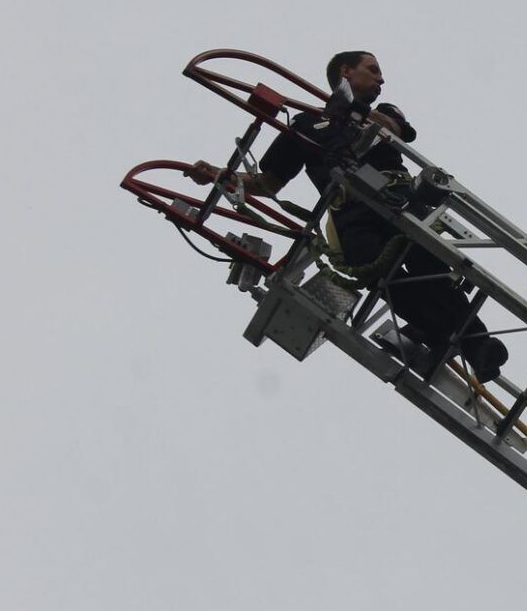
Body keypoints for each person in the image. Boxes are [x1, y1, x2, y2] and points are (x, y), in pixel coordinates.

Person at [187, 50, 508, 382]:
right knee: (387, 281)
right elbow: (268, 182)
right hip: (349, 215)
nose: (381, 79)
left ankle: (476, 347)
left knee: (431, 270)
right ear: (347, 71)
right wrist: (219, 174)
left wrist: (352, 112)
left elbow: (393, 129)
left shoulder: (381, 112)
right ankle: (439, 333)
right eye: (373, 70)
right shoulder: (306, 125)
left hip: (398, 200)